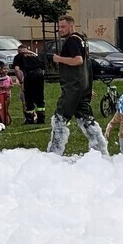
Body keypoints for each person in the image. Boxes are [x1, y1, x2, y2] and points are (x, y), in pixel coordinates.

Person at [46, 16, 108, 155]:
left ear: (71, 26)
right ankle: (100, 151)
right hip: (82, 86)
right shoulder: (82, 40)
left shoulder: (72, 41)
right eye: (59, 27)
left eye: (63, 27)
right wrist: (87, 86)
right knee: (86, 119)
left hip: (72, 88)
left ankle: (54, 153)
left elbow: (78, 61)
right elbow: (86, 65)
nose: (60, 30)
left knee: (59, 119)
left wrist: (58, 59)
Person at [12, 40, 47, 125]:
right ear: (27, 49)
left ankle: (30, 119)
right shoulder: (34, 55)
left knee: (29, 96)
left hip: (30, 75)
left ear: (19, 51)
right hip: (39, 74)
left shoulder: (18, 56)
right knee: (39, 96)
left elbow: (16, 69)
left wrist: (21, 81)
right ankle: (41, 119)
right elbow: (44, 66)